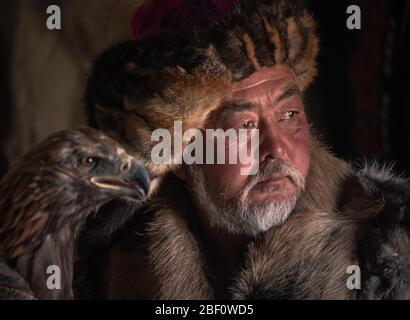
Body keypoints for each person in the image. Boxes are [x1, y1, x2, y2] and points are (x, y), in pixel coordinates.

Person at [85, 0, 410, 299]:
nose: (277, 148)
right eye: (244, 127)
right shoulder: (99, 265)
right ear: (180, 157)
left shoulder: (382, 247)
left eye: (289, 115)